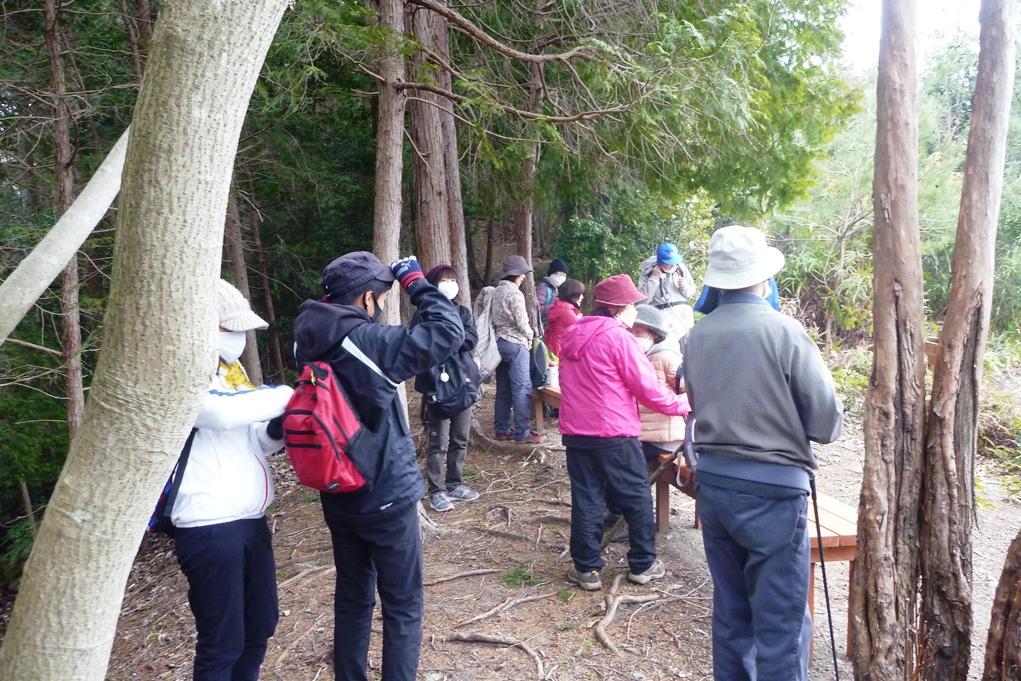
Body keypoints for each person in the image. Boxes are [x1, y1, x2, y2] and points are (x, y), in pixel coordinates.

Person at [292, 252, 464, 681]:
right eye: (382, 296)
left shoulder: (305, 337)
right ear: (368, 299)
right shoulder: (367, 343)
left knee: (353, 596)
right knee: (402, 604)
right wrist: (415, 282)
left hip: (336, 489)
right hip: (384, 490)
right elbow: (447, 330)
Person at [682, 226, 843, 681]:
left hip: (714, 486)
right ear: (763, 279)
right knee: (781, 624)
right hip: (773, 491)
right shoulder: (785, 331)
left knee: (732, 616)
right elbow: (825, 422)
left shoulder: (696, 337)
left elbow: (695, 403)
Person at [172, 279, 293, 681]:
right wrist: (287, 395)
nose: (238, 337)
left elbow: (252, 438)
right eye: (229, 328)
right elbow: (217, 414)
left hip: (249, 520)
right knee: (221, 641)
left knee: (260, 624)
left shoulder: (232, 372)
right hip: (208, 525)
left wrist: (278, 429)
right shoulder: (180, 370)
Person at [557, 274, 690, 591]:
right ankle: (643, 564)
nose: (636, 311)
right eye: (633, 305)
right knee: (635, 497)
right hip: (614, 432)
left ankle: (587, 569)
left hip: (577, 432)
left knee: (587, 497)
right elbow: (647, 389)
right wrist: (680, 404)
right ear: (619, 308)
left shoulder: (572, 334)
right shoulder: (619, 339)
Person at [411, 264, 481, 513]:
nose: (450, 284)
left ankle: (455, 483)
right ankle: (436, 490)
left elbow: (471, 339)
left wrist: (448, 338)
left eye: (453, 279)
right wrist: (451, 338)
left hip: (463, 382)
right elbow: (421, 344)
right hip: (436, 385)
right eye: (444, 280)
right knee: (438, 441)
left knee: (460, 438)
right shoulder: (423, 314)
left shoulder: (462, 311)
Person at [490, 254, 541, 444]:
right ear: (517, 274)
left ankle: (502, 429)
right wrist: (531, 336)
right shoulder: (514, 293)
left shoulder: (497, 292)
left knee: (503, 388)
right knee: (522, 388)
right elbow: (522, 322)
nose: (524, 277)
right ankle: (522, 432)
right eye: (522, 274)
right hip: (516, 343)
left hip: (499, 344)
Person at [630, 305, 688, 468]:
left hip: (664, 438)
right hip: (644, 435)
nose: (634, 336)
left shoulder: (666, 356)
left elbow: (689, 390)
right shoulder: (638, 357)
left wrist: (675, 404)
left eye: (639, 332)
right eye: (631, 332)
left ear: (653, 334)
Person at [638, 243, 697, 338]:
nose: (672, 265)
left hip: (683, 317)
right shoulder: (648, 272)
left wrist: (685, 286)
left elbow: (691, 293)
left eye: (673, 262)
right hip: (661, 318)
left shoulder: (680, 268)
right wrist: (654, 278)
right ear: (660, 261)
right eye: (668, 263)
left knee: (688, 348)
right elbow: (643, 300)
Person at [543, 278, 585, 358]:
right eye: (580, 294)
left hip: (554, 349)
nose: (582, 297)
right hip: (560, 352)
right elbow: (583, 331)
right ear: (572, 294)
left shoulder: (561, 306)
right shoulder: (565, 310)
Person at [535, 258, 568, 326]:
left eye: (564, 275)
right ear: (551, 274)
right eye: (558, 274)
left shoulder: (560, 290)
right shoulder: (543, 288)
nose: (561, 277)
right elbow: (536, 309)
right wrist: (556, 306)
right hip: (542, 326)